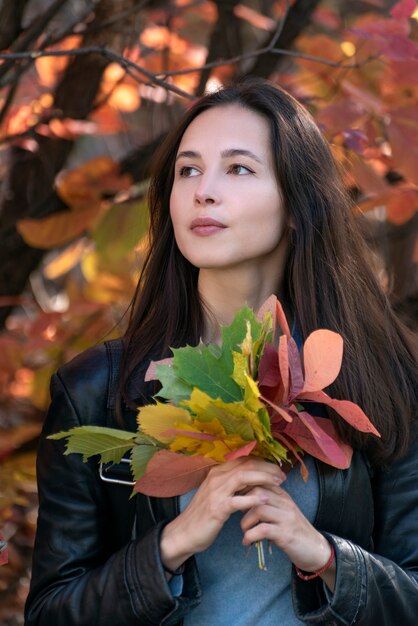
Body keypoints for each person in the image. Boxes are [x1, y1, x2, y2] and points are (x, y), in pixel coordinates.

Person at [25, 79, 418, 626]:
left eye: (238, 169)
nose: (203, 191)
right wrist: (172, 543)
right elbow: (52, 613)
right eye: (188, 170)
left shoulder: (379, 381)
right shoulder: (97, 391)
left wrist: (325, 558)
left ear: (298, 205)